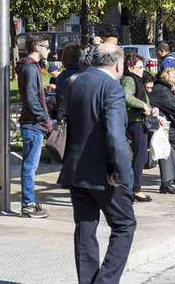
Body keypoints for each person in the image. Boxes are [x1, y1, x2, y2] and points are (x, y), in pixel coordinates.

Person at [57, 44, 136, 283]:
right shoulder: (111, 88)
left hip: (76, 169)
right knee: (124, 226)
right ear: (118, 64)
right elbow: (115, 135)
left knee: (85, 229)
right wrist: (123, 173)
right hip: (104, 174)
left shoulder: (74, 82)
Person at [16, 33, 52, 218]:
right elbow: (31, 98)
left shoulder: (30, 67)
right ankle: (27, 204)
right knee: (30, 166)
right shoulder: (30, 68)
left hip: (32, 122)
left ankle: (29, 202)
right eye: (46, 46)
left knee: (31, 165)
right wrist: (44, 119)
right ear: (37, 47)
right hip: (32, 123)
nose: (49, 49)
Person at [121, 54, 158, 202]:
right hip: (135, 122)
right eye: (140, 67)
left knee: (140, 155)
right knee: (140, 155)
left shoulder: (134, 79)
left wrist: (150, 107)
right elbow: (126, 96)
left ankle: (134, 187)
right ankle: (136, 188)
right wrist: (143, 105)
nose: (143, 70)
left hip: (138, 121)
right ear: (131, 67)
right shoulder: (130, 79)